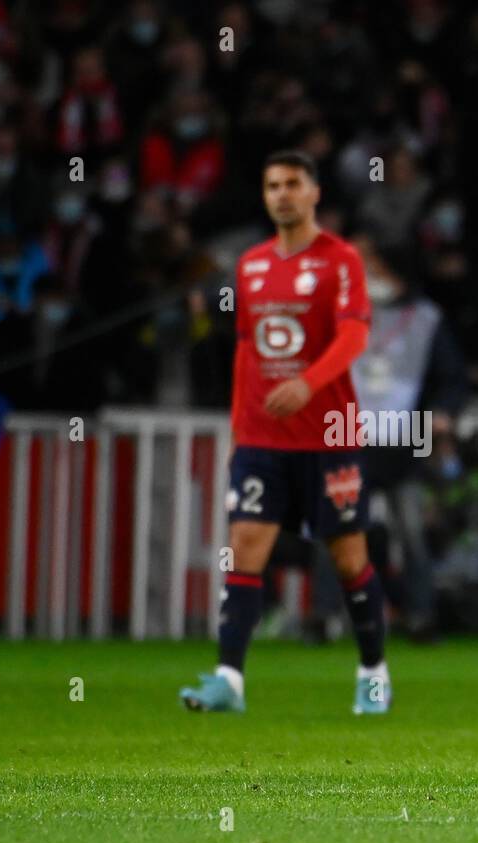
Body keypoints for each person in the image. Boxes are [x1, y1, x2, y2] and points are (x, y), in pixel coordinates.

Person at [179, 151, 390, 715]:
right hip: (263, 440)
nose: (282, 195)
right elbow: (248, 352)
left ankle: (373, 671)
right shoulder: (248, 266)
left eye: (293, 184)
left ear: (314, 192)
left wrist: (309, 382)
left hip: (328, 437)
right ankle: (229, 679)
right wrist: (239, 427)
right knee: (244, 549)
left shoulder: (341, 261)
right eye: (272, 185)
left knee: (348, 559)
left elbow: (353, 336)